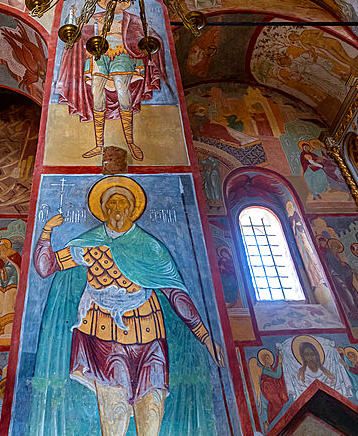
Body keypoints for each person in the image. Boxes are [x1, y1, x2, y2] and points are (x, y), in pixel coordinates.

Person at [30, 176, 224, 435]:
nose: (117, 209)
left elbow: (175, 293)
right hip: (104, 336)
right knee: (115, 413)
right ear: (104, 210)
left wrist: (204, 336)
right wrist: (46, 233)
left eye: (123, 203)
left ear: (133, 209)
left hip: (149, 334)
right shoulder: (90, 244)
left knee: (152, 410)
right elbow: (46, 267)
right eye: (111, 204)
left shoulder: (150, 248)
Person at [56, 0, 165, 160]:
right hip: (99, 54)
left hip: (122, 55)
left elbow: (150, 36)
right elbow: (76, 33)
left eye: (117, 2)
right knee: (97, 94)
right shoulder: (94, 17)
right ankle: (99, 145)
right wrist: (71, 17)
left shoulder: (133, 20)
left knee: (122, 91)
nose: (112, 5)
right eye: (108, 2)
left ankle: (130, 142)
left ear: (124, 4)